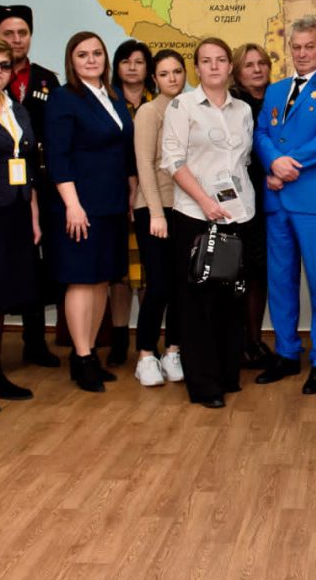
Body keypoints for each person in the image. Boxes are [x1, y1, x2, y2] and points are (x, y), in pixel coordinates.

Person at [253, 18, 316, 395]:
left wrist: (284, 165)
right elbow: (260, 133)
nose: (302, 53)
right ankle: (286, 353)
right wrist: (271, 163)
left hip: (315, 203)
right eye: (296, 47)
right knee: (281, 282)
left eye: (309, 46)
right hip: (277, 200)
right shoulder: (275, 90)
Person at [161, 37, 256, 408]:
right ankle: (203, 386)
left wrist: (232, 207)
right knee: (197, 304)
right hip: (196, 216)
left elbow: (243, 162)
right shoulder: (182, 106)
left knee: (231, 300)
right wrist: (205, 202)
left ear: (230, 67)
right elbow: (173, 161)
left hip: (238, 215)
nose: (214, 66)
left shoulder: (242, 110)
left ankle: (228, 375)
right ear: (196, 68)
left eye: (220, 60)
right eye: (206, 60)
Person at [44, 32, 136, 392]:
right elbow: (58, 156)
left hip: (111, 204)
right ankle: (81, 357)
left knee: (101, 280)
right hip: (80, 206)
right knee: (82, 279)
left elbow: (122, 151)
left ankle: (90, 353)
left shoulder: (111, 96)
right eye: (82, 54)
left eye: (97, 53)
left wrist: (129, 193)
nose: (91, 59)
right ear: (71, 60)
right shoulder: (64, 98)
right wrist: (72, 205)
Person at [0, 4, 60, 368]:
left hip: (33, 190)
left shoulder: (45, 81)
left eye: (23, 33)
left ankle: (35, 342)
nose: (17, 40)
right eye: (9, 33)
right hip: (0, 194)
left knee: (31, 266)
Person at [132, 49, 187, 387]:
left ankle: (173, 351)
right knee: (159, 286)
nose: (172, 78)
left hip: (186, 209)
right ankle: (145, 355)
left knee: (182, 285)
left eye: (177, 71)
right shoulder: (149, 112)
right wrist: (155, 212)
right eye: (164, 73)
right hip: (154, 209)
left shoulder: (191, 109)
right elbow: (144, 165)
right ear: (154, 78)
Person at [0, 37, 40, 410]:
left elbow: (27, 165)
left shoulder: (17, 109)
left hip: (15, 211)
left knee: (1, 296)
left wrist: (34, 215)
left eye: (4, 65)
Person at [107, 39, 156, 367]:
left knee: (150, 271)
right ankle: (119, 337)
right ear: (117, 67)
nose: (133, 67)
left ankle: (146, 340)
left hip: (151, 197)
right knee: (119, 273)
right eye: (126, 61)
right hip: (114, 195)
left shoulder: (160, 101)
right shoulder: (106, 102)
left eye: (139, 61)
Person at [230, 43, 273, 370]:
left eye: (262, 63)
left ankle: (254, 342)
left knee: (260, 273)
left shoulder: (278, 99)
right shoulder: (232, 103)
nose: (257, 69)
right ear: (236, 72)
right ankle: (237, 343)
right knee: (237, 273)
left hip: (273, 198)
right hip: (238, 200)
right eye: (249, 65)